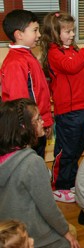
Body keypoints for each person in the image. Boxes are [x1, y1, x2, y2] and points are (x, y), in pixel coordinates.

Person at [40, 11, 84, 203]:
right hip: (68, 110)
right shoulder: (54, 53)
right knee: (67, 150)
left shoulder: (74, 52)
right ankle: (59, 187)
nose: (72, 35)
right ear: (55, 33)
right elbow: (71, 66)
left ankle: (70, 182)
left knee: (77, 147)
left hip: (80, 107)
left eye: (73, 31)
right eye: (68, 31)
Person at [0, 98, 80, 248]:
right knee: (69, 240)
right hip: (29, 234)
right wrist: (66, 233)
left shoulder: (5, 157)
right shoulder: (32, 162)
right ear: (24, 127)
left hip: (8, 233)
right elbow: (48, 208)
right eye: (38, 119)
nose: (43, 121)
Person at [0, 10, 53, 159]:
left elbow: (39, 91)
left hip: (37, 124)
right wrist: (35, 125)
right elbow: (20, 102)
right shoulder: (16, 62)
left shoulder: (27, 56)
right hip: (29, 129)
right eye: (35, 30)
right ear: (19, 34)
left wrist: (45, 121)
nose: (39, 35)